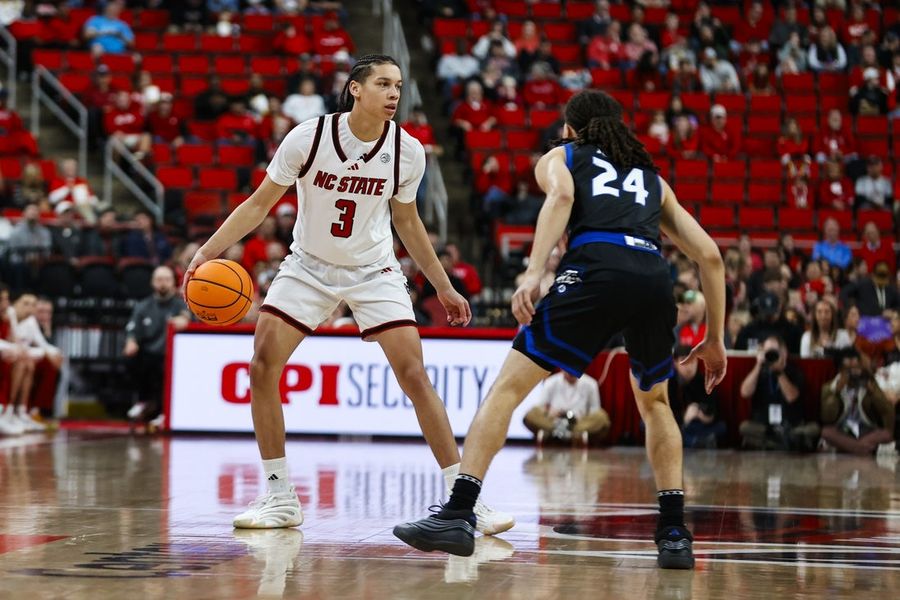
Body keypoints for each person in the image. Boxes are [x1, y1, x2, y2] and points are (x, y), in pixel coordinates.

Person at [393, 90, 727, 570]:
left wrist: (532, 273)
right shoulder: (653, 180)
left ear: (571, 128)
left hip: (595, 270)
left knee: (507, 389)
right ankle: (674, 532)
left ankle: (459, 512)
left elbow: (563, 196)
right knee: (656, 405)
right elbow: (711, 256)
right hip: (653, 278)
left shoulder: (563, 156)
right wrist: (714, 339)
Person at [181, 55, 513, 535]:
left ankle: (465, 501)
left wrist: (443, 286)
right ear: (355, 89)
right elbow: (259, 204)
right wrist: (205, 253)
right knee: (262, 363)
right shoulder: (308, 137)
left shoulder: (407, 151)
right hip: (308, 266)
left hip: (374, 270)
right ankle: (279, 497)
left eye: (398, 85)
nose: (394, 93)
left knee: (415, 374)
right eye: (383, 83)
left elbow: (408, 222)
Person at [124, 266, 190, 423]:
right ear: (153, 283)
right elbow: (133, 329)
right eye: (159, 280)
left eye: (167, 280)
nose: (163, 284)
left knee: (165, 367)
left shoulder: (181, 305)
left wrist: (185, 321)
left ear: (174, 283)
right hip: (149, 353)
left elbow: (189, 318)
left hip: (173, 355)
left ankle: (164, 411)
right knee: (132, 359)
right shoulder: (143, 306)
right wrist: (131, 341)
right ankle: (143, 401)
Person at [739, 335, 819, 451]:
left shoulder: (794, 371)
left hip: (790, 425)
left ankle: (773, 443)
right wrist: (758, 365)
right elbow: (745, 393)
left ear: (784, 353)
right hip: (764, 426)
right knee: (744, 427)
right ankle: (783, 443)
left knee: (813, 429)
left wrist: (779, 372)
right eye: (768, 352)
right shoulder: (759, 372)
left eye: (774, 352)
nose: (771, 356)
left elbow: (791, 397)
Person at [821, 349, 895, 456]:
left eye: (856, 368)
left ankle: (849, 448)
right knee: (826, 432)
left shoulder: (870, 384)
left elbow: (887, 409)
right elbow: (826, 417)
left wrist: (873, 392)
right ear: (840, 370)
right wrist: (836, 392)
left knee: (886, 434)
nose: (853, 372)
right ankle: (863, 448)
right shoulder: (829, 388)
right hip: (842, 430)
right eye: (848, 370)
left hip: (866, 430)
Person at [522, 371, 610, 445]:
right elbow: (541, 406)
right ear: (562, 367)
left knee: (602, 417)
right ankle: (559, 432)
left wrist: (581, 418)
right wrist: (549, 412)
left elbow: (595, 410)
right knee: (531, 414)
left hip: (579, 423)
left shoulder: (590, 383)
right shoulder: (551, 381)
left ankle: (564, 434)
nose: (570, 372)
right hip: (554, 421)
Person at [669, 345, 725, 448]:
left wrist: (701, 415)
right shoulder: (670, 383)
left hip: (700, 424)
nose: (689, 366)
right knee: (651, 425)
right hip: (677, 424)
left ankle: (693, 441)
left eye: (692, 361)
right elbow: (666, 413)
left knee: (721, 427)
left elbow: (714, 413)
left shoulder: (706, 381)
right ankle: (696, 441)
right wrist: (684, 418)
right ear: (675, 363)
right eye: (684, 361)